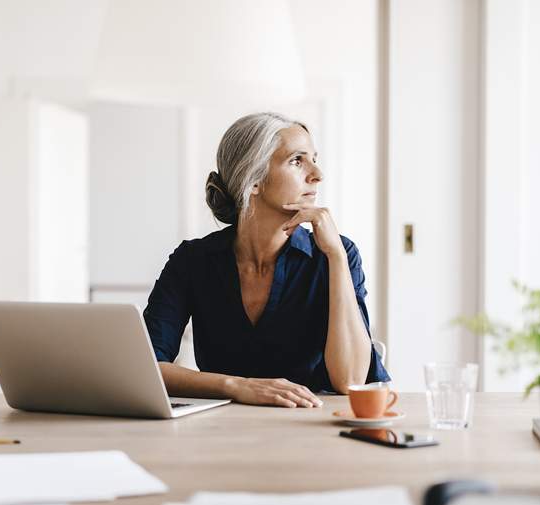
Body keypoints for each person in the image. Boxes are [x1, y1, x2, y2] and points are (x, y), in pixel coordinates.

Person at [143, 112, 390, 408]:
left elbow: (350, 381)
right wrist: (237, 386)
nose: (317, 174)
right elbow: (146, 367)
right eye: (297, 161)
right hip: (221, 433)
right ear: (255, 180)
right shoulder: (193, 261)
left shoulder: (338, 254)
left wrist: (335, 256)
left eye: (314, 158)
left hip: (316, 428)